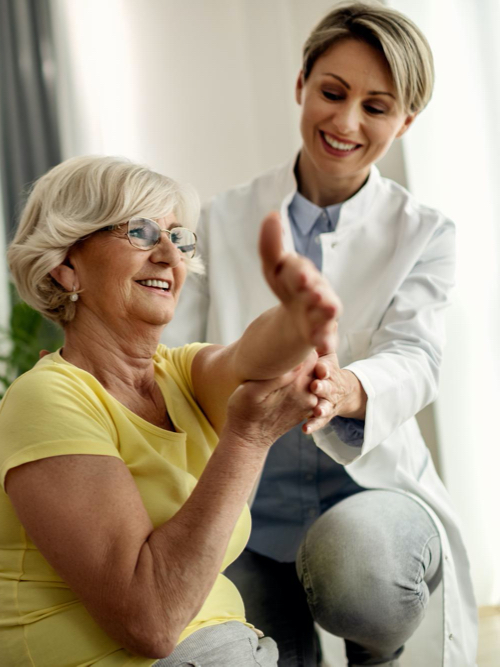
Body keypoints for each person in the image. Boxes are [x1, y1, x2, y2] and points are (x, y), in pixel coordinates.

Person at [163, 3, 477, 666]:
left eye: (377, 106)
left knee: (357, 577)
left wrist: (349, 386)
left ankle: (376, 652)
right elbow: (179, 357)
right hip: (248, 510)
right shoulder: (225, 217)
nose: (345, 122)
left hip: (372, 493)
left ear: (406, 121)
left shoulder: (425, 232)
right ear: (300, 83)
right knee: (252, 648)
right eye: (332, 92)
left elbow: (417, 358)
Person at [0, 154, 344, 666]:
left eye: (181, 239)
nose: (171, 254)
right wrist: (248, 439)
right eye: (143, 232)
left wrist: (300, 317)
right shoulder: (48, 399)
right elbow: (150, 621)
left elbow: (251, 356)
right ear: (66, 265)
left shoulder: (181, 374)